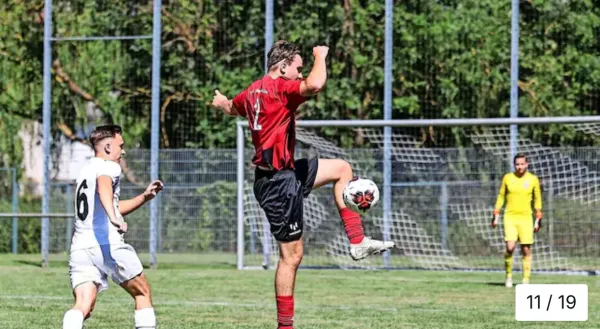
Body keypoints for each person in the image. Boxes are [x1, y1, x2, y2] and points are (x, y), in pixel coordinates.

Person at [211, 40, 395, 329]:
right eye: (297, 68)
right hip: (276, 183)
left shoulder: (252, 91)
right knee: (291, 256)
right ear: (282, 67)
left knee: (342, 168)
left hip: (285, 172)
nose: (300, 73)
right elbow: (315, 84)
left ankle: (357, 241)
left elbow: (232, 108)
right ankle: (285, 327)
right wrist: (320, 55)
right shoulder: (280, 88)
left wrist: (221, 102)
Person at [62, 125, 164, 329]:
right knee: (142, 292)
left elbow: (110, 203)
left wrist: (144, 197)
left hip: (80, 248)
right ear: (108, 147)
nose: (123, 151)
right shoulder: (109, 167)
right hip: (106, 244)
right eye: (121, 146)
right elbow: (104, 188)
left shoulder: (85, 171)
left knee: (83, 306)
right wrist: (114, 218)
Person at [491, 153, 542, 287]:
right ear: (514, 165)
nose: (519, 167)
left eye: (522, 164)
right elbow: (501, 196)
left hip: (526, 217)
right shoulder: (508, 178)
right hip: (510, 216)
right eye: (517, 164)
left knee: (525, 249)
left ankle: (526, 279)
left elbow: (537, 198)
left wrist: (538, 216)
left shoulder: (533, 179)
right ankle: (508, 276)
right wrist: (496, 213)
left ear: (527, 164)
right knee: (510, 247)